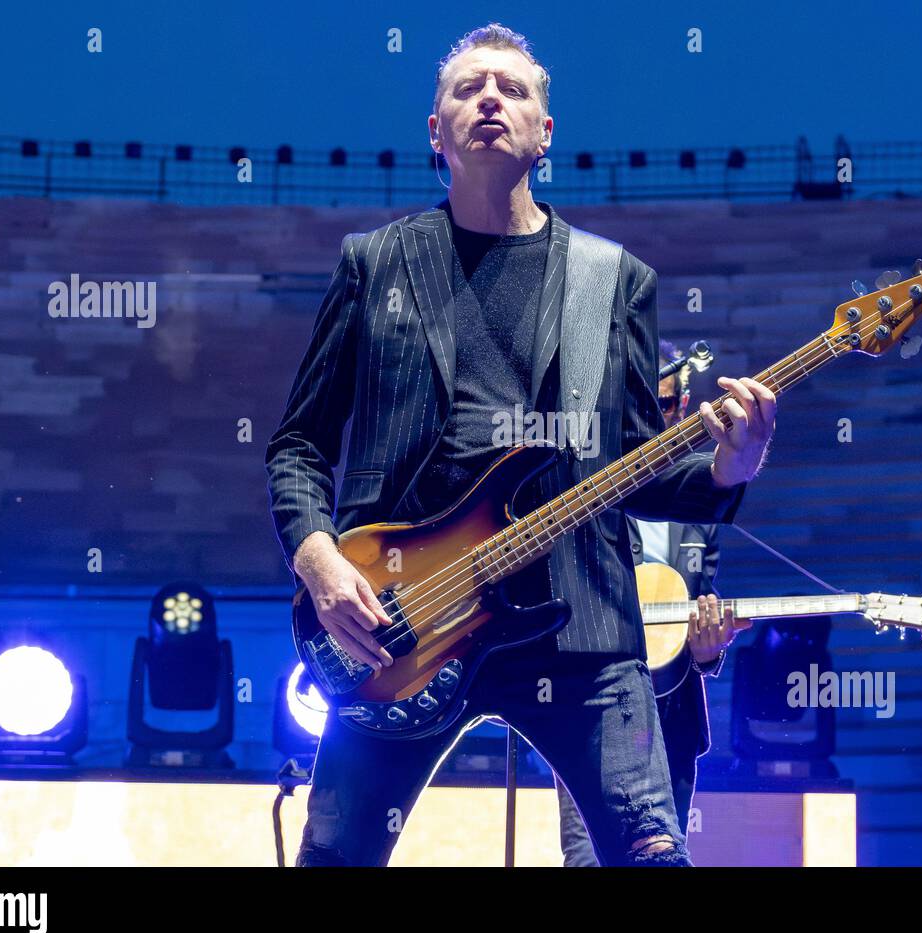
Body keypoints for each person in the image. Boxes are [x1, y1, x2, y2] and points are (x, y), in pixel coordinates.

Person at [264, 23, 775, 866]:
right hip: (402, 621)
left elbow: (637, 468)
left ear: (546, 131)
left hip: (580, 628)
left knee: (652, 856)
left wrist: (732, 465)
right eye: (468, 88)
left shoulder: (614, 282)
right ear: (436, 132)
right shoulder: (375, 265)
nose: (490, 99)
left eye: (513, 88)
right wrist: (319, 563)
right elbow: (297, 444)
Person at [555, 344, 754, 865]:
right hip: (594, 708)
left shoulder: (703, 502)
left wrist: (710, 651)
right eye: (639, 407)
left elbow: (700, 614)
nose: (653, 421)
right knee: (588, 859)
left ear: (684, 404)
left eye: (663, 406)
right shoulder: (588, 490)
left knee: (665, 855)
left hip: (672, 715)